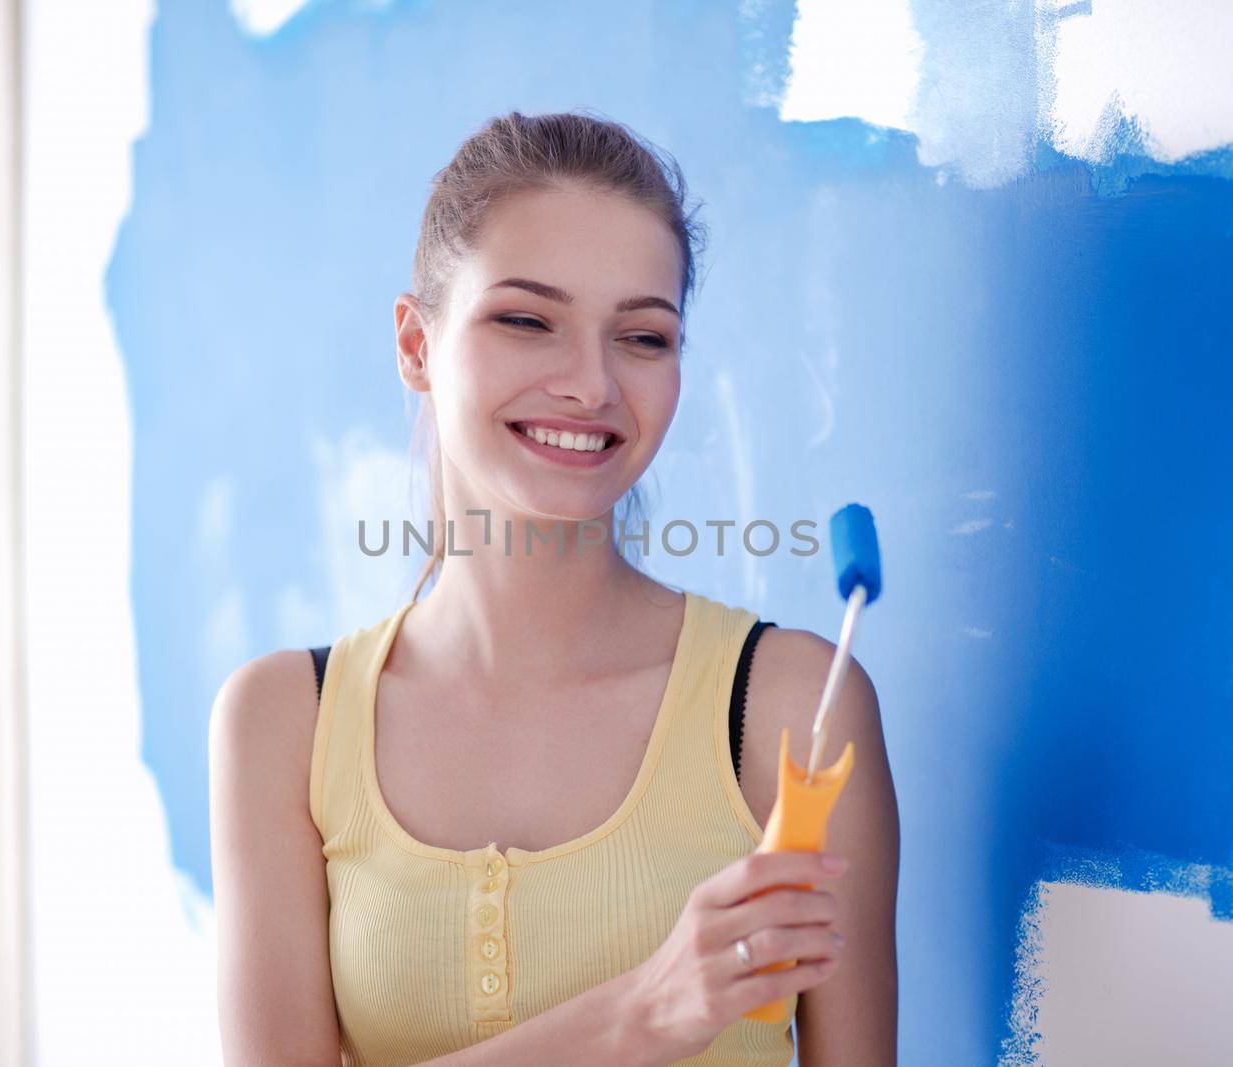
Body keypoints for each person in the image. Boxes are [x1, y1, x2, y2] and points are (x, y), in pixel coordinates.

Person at [209, 109, 899, 1066]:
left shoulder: (796, 708)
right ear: (415, 343)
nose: (592, 385)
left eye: (645, 337)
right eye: (527, 319)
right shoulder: (284, 722)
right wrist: (643, 1013)